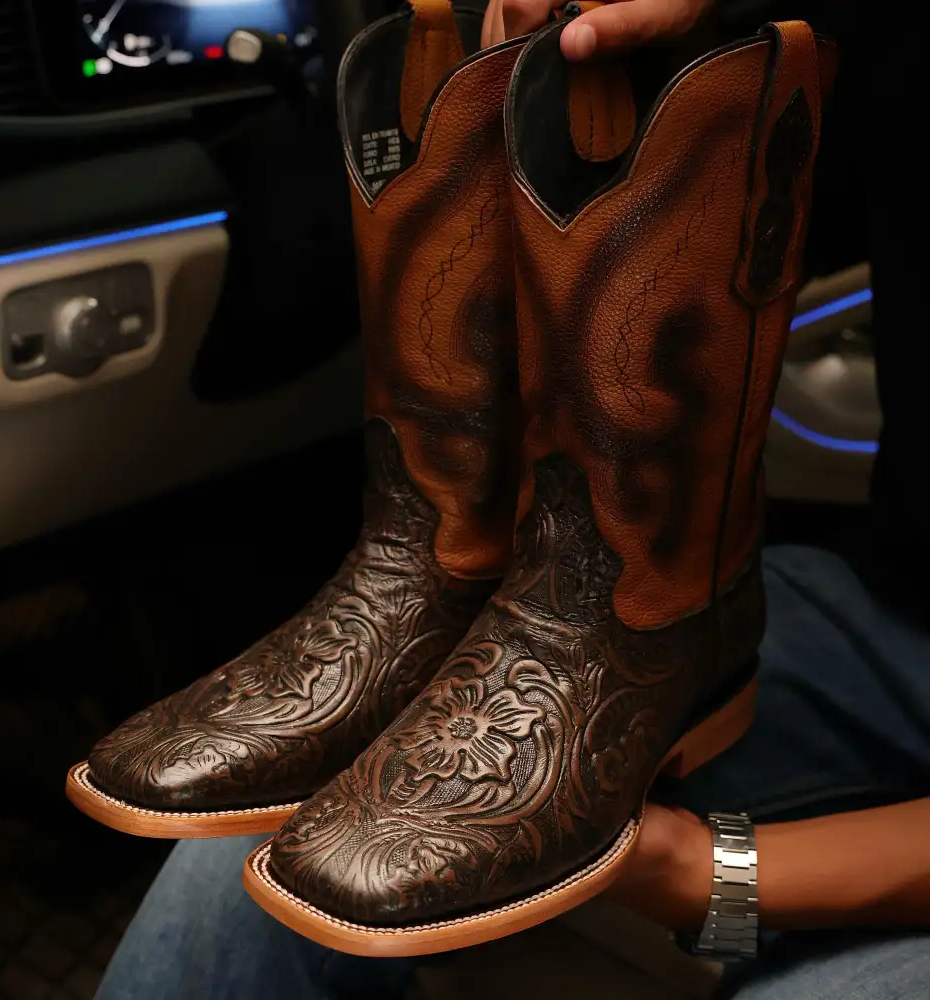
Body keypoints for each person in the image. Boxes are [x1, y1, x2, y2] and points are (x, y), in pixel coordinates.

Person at [95, 1, 930, 998]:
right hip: (877, 620)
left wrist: (710, 878)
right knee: (248, 854)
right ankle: (614, 631)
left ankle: (642, 650)